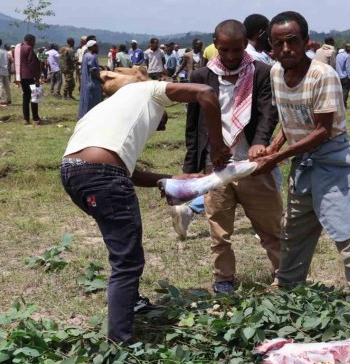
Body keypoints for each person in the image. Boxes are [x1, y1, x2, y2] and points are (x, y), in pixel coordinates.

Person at [60, 78, 230, 345]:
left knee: (122, 247)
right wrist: (218, 146)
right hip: (103, 177)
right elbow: (206, 93)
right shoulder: (150, 90)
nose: (162, 126)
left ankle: (133, 303)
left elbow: (118, 168)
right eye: (164, 119)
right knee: (127, 263)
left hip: (73, 174)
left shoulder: (108, 111)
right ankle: (120, 343)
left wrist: (170, 178)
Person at [250, 11, 350, 312]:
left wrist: (277, 157)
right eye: (278, 44)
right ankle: (287, 289)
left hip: (332, 162)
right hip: (301, 163)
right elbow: (289, 118)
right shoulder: (276, 73)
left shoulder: (323, 75)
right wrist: (273, 147)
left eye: (292, 41)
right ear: (271, 46)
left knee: (347, 232)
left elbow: (321, 131)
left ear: (306, 42)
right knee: (294, 232)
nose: (285, 49)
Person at [173, 19, 281, 293]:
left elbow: (268, 113)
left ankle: (285, 276)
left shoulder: (262, 72)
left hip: (252, 165)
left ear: (245, 44)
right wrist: (191, 167)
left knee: (271, 229)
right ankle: (223, 279)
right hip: (217, 166)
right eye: (224, 50)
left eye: (236, 49)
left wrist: (260, 142)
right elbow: (193, 126)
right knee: (219, 231)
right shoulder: (201, 77)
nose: (231, 56)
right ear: (215, 45)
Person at [17, 34, 42, 125]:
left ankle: (26, 119)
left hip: (21, 76)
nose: (34, 43)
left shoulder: (18, 48)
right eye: (34, 41)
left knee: (26, 97)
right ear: (30, 40)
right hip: (30, 76)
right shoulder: (29, 49)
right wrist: (37, 78)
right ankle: (35, 118)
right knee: (34, 97)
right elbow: (32, 64)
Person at [78, 40, 102, 119]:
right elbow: (93, 72)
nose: (97, 48)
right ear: (92, 47)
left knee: (85, 102)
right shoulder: (92, 57)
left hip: (85, 82)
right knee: (93, 104)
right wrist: (101, 80)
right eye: (96, 46)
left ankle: (83, 117)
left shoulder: (86, 56)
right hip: (92, 83)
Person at [0, 38, 12, 105]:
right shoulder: (4, 51)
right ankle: (9, 99)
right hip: (5, 70)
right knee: (7, 85)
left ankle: (2, 99)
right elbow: (7, 61)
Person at [335, 42, 350, 108]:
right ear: (347, 48)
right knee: (345, 91)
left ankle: (338, 104)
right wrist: (349, 78)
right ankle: (343, 105)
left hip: (338, 76)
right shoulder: (347, 56)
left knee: (339, 91)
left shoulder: (338, 55)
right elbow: (348, 68)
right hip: (345, 77)